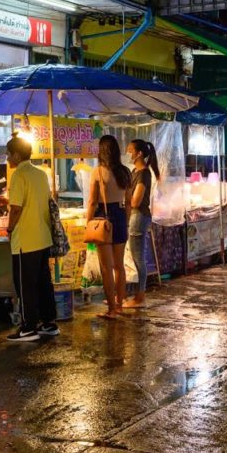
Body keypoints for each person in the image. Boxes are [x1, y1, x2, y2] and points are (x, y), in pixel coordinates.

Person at [5, 134, 57, 342]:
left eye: (8, 154)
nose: (7, 158)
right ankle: (48, 322)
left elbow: (16, 208)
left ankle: (28, 327)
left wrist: (9, 229)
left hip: (25, 240)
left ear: (16, 155)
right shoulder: (41, 174)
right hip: (43, 237)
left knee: (25, 284)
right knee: (44, 282)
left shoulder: (19, 175)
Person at [87, 135, 132, 319]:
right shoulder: (126, 172)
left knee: (106, 267)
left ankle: (112, 309)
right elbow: (129, 202)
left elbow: (91, 201)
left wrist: (88, 222)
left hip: (103, 218)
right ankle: (120, 304)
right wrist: (126, 221)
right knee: (119, 266)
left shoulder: (97, 172)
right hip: (121, 216)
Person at [123, 139, 159, 309]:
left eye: (130, 150)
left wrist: (125, 199)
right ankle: (132, 296)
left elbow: (136, 201)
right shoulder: (134, 171)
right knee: (135, 257)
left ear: (139, 154)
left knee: (138, 258)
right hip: (134, 217)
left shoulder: (144, 173)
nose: (127, 153)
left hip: (139, 217)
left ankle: (140, 297)